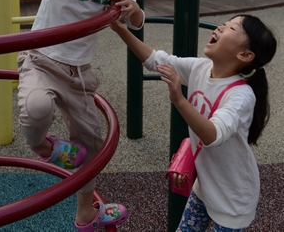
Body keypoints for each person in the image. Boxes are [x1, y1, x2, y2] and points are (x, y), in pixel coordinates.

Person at [17, 0, 144, 231]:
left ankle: (86, 212)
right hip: (42, 59)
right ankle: (45, 148)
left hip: (78, 73)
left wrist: (134, 9)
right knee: (36, 110)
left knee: (91, 142)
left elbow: (138, 22)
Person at [111, 14, 277, 231]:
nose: (221, 27)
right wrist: (119, 29)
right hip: (205, 186)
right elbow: (155, 60)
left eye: (231, 28)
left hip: (232, 199)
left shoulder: (241, 96)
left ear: (245, 54)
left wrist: (179, 99)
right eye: (225, 23)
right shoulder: (201, 68)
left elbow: (213, 135)